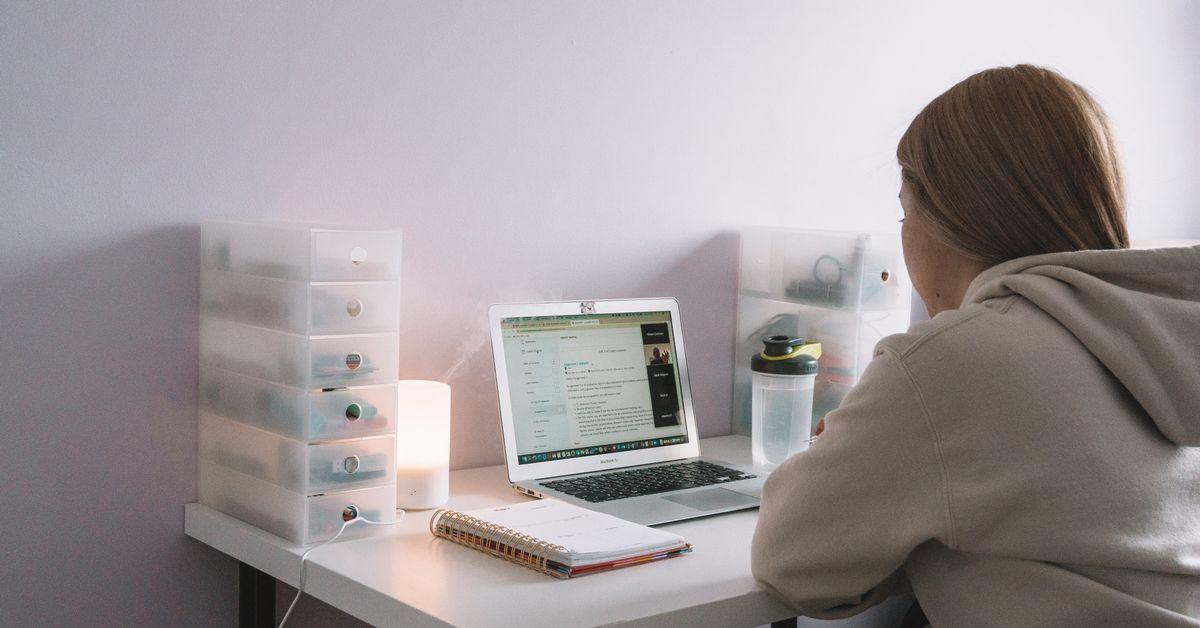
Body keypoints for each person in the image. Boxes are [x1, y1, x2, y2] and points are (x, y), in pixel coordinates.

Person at [751, 64, 1200, 627]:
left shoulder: (951, 361)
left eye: (904, 211)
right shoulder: (1171, 332)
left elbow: (791, 562)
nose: (903, 233)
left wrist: (865, 467)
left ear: (953, 217)